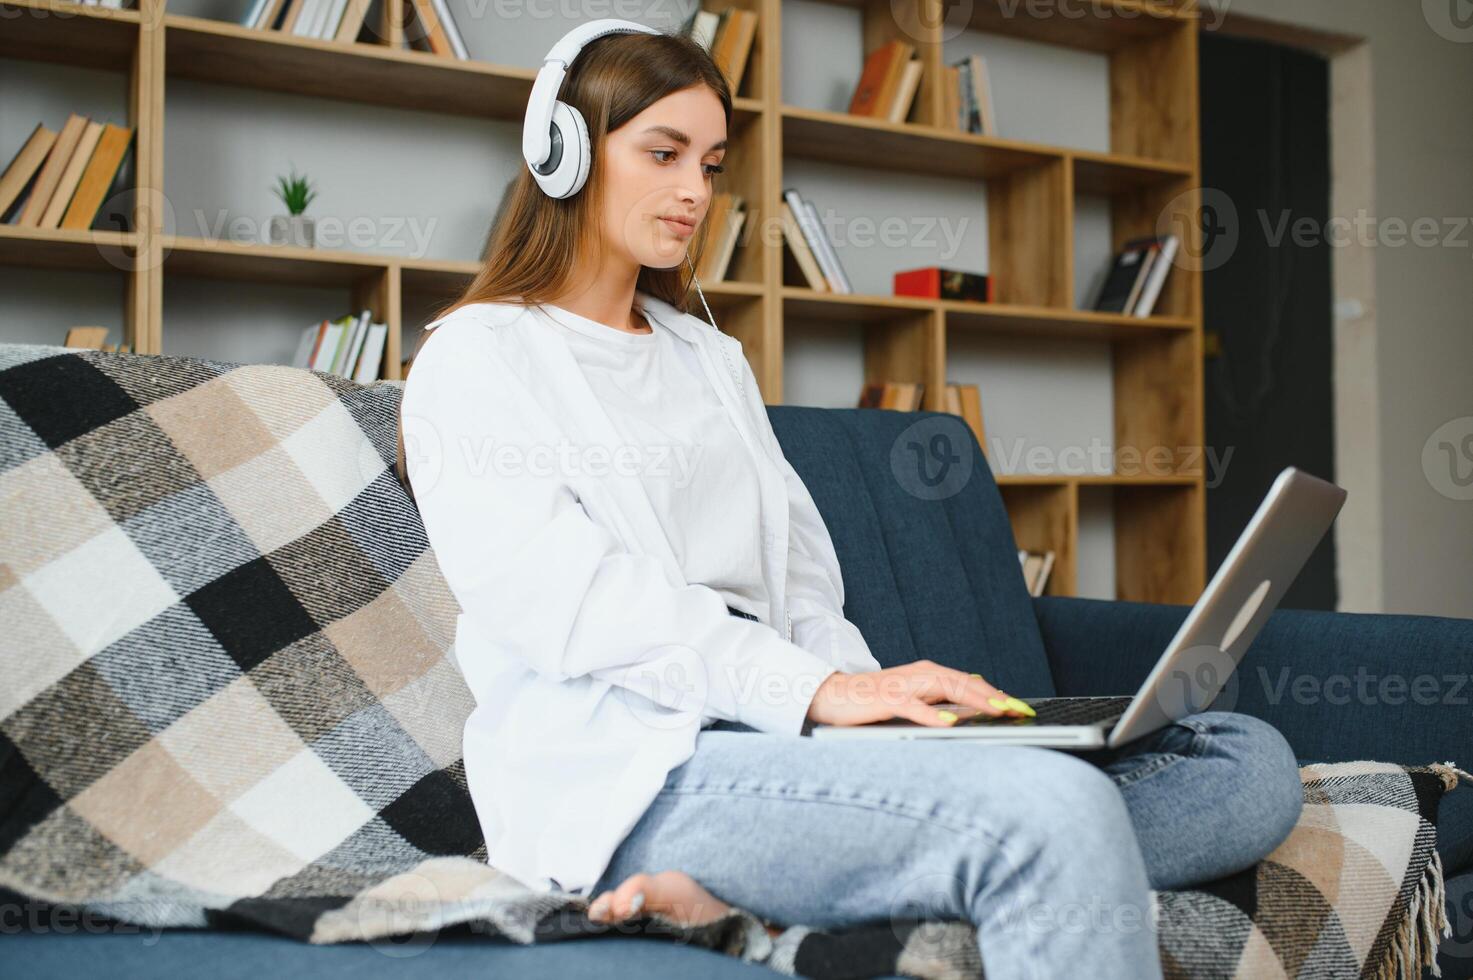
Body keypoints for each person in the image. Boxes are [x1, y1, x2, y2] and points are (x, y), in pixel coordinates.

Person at [396, 24, 1306, 980]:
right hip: (644, 772)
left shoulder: (710, 358)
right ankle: (963, 855)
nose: (694, 193)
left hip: (790, 737)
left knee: (1242, 761)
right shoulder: (479, 356)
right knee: (1055, 811)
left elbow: (800, 591)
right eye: (661, 155)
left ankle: (785, 889)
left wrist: (868, 706)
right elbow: (569, 605)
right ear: (564, 153)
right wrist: (813, 695)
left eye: (709, 164)